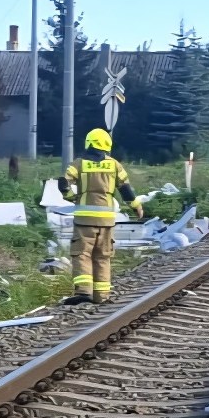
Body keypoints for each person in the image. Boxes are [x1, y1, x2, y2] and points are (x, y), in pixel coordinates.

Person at [57, 128, 142, 305]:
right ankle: (102, 296)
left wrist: (70, 197)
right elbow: (125, 189)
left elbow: (63, 183)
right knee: (103, 256)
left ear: (89, 143)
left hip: (84, 220)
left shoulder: (78, 164)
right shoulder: (114, 165)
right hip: (106, 220)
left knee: (82, 254)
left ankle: (84, 292)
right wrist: (136, 207)